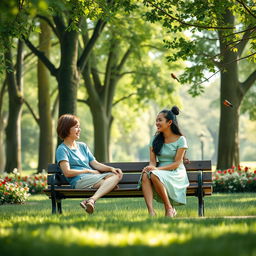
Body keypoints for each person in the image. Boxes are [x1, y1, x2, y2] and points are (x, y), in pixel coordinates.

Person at [56, 114, 123, 214]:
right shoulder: (62, 149)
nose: (79, 129)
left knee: (116, 175)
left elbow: (95, 164)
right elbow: (67, 172)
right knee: (111, 184)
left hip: (91, 178)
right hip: (79, 181)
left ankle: (90, 200)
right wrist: (88, 170)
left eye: (79, 126)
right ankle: (91, 200)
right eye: (76, 127)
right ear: (66, 128)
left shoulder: (82, 146)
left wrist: (110, 168)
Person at [140, 106, 189, 217]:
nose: (157, 123)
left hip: (176, 172)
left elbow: (177, 163)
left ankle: (169, 208)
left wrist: (156, 169)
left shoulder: (181, 139)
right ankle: (151, 212)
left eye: (160, 120)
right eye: (156, 120)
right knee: (145, 174)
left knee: (153, 174)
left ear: (169, 122)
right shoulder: (154, 139)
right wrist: (150, 167)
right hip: (159, 171)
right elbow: (152, 162)